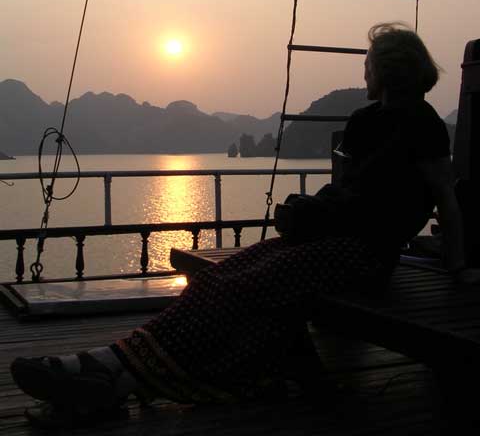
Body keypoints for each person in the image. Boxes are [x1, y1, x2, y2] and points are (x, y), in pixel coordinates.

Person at [10, 22, 467, 426]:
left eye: (367, 63)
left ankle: (109, 374)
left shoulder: (423, 124)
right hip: (323, 242)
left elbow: (443, 195)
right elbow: (344, 192)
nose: (363, 72)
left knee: (238, 289)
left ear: (387, 69)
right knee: (219, 277)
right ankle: (110, 367)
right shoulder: (364, 121)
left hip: (365, 255)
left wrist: (457, 266)